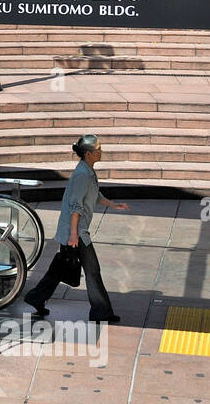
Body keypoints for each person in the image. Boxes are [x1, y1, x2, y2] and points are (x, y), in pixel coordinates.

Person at [23, 134, 130, 323]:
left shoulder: (86, 170)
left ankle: (36, 297)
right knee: (92, 269)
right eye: (98, 149)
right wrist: (73, 234)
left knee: (60, 268)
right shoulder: (83, 174)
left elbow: (94, 194)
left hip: (74, 231)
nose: (101, 152)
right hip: (77, 232)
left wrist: (112, 204)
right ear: (88, 153)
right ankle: (101, 312)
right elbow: (75, 206)